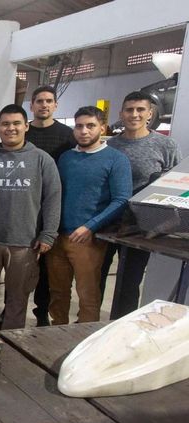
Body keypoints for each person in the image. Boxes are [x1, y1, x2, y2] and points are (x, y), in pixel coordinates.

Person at [0, 104, 61, 331]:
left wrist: (48, 234)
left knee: (18, 299)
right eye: (5, 124)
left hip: (25, 244)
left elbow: (53, 198)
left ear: (26, 126)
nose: (11, 128)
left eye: (16, 123)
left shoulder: (42, 160)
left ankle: (12, 346)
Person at [99, 91, 182, 319]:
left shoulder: (165, 145)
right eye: (129, 110)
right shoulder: (109, 146)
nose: (134, 114)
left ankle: (120, 328)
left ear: (150, 114)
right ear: (121, 113)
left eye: (140, 110)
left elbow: (173, 187)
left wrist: (161, 226)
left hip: (140, 229)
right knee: (95, 280)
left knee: (129, 283)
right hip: (106, 223)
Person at [48, 106, 131, 325]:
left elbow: (121, 199)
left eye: (90, 126)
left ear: (102, 127)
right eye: (79, 126)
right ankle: (56, 336)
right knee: (57, 293)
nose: (84, 131)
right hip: (57, 237)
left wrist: (90, 227)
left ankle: (84, 339)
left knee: (87, 296)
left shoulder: (116, 159)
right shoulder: (66, 158)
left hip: (87, 239)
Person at [25, 85, 77, 327]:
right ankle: (11, 311)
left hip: (52, 205)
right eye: (39, 101)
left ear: (55, 105)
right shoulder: (24, 133)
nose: (44, 105)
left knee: (48, 270)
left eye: (48, 101)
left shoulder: (68, 135)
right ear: (32, 106)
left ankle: (42, 313)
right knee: (22, 268)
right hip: (25, 207)